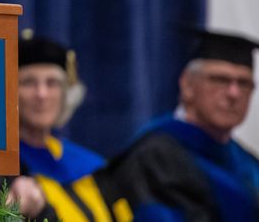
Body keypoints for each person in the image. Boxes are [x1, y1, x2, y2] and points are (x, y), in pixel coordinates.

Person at [56, 27, 259, 221]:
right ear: (187, 85)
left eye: (244, 83)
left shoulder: (248, 162)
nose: (234, 93)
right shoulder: (154, 158)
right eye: (220, 80)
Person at [0, 30, 104, 220]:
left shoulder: (86, 164)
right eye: (28, 82)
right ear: (9, 90)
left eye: (52, 83)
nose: (42, 94)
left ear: (66, 93)